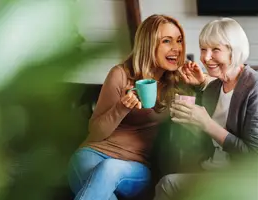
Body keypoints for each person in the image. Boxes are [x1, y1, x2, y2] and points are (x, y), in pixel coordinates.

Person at [153, 17, 258, 200]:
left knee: (168, 185)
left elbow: (254, 156)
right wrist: (193, 107)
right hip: (214, 169)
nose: (206, 58)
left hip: (249, 179)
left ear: (234, 51)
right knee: (167, 182)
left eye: (216, 49)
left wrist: (206, 124)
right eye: (203, 49)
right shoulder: (215, 87)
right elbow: (206, 134)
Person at [67, 14, 187, 200]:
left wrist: (200, 85)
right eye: (167, 41)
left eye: (179, 41)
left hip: (135, 167)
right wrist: (121, 108)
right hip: (91, 155)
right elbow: (96, 132)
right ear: (148, 44)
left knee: (110, 169)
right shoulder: (120, 75)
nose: (176, 48)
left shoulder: (177, 83)